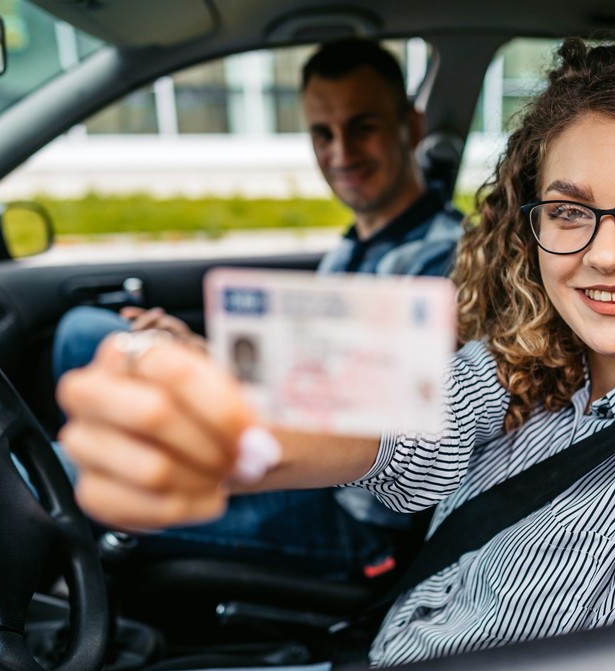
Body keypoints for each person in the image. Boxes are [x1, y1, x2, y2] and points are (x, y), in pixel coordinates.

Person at [0, 34, 615, 671]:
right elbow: (408, 442)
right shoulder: (529, 364)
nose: (604, 251)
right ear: (534, 227)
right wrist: (244, 437)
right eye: (568, 211)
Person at [51, 37, 464, 580]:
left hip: (354, 514)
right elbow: (314, 377)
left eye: (362, 127)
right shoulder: (351, 248)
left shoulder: (447, 265)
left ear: (409, 128)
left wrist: (213, 375)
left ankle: (67, 561)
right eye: (323, 133)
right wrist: (205, 356)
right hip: (300, 463)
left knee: (61, 474)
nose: (341, 154)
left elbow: (391, 422)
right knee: (87, 332)